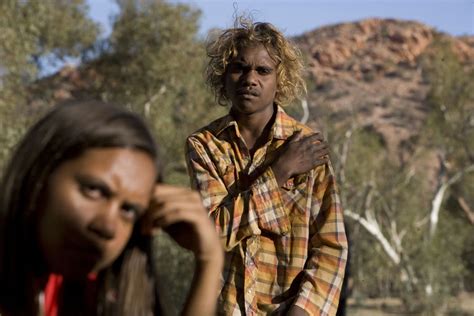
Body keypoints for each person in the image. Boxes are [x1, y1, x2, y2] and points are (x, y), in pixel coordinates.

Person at [185, 18, 347, 316]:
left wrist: (304, 311)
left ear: (279, 80)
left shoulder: (307, 146)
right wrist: (279, 173)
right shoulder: (205, 146)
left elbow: (330, 244)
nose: (250, 78)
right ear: (223, 77)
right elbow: (211, 234)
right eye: (239, 68)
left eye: (263, 70)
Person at [0, 100, 223, 316]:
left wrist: (210, 259)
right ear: (40, 174)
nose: (108, 227)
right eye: (94, 190)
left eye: (129, 210)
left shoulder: (91, 293)